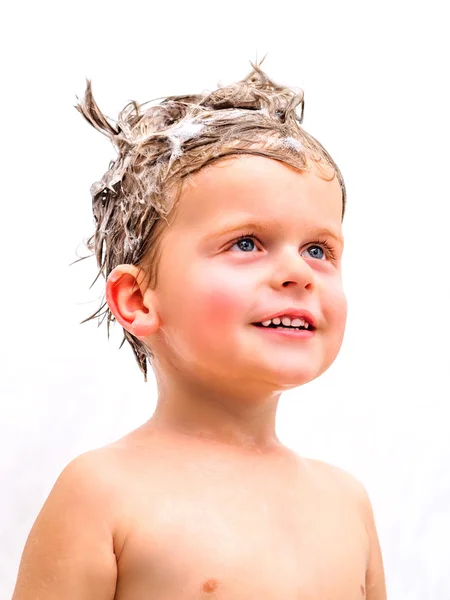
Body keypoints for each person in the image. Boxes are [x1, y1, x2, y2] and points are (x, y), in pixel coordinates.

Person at [11, 62, 387, 599]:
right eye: (247, 242)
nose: (298, 273)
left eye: (318, 249)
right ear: (139, 299)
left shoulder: (347, 503)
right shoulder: (104, 494)